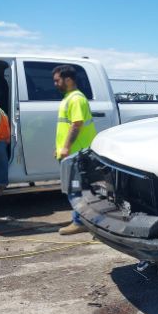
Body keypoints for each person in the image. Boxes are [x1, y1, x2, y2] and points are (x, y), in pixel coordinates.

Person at [52, 65, 97, 235]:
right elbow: (65, 126)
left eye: (57, 80)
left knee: (76, 188)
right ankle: (85, 221)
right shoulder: (68, 98)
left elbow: (76, 124)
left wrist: (65, 147)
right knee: (77, 188)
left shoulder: (76, 99)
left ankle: (80, 221)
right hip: (70, 152)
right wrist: (58, 147)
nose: (55, 84)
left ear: (68, 79)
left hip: (77, 153)